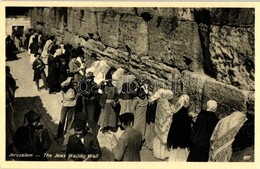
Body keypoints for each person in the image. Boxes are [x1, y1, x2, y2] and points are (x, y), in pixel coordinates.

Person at [167, 94, 192, 162]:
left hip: (176, 137)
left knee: (174, 156)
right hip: (182, 138)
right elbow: (186, 127)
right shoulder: (184, 112)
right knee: (181, 157)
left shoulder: (177, 110)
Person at [152, 89, 175, 160]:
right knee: (163, 139)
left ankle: (157, 153)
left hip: (159, 123)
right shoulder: (165, 103)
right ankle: (162, 154)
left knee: (158, 138)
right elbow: (169, 113)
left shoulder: (160, 101)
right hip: (164, 124)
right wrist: (173, 108)